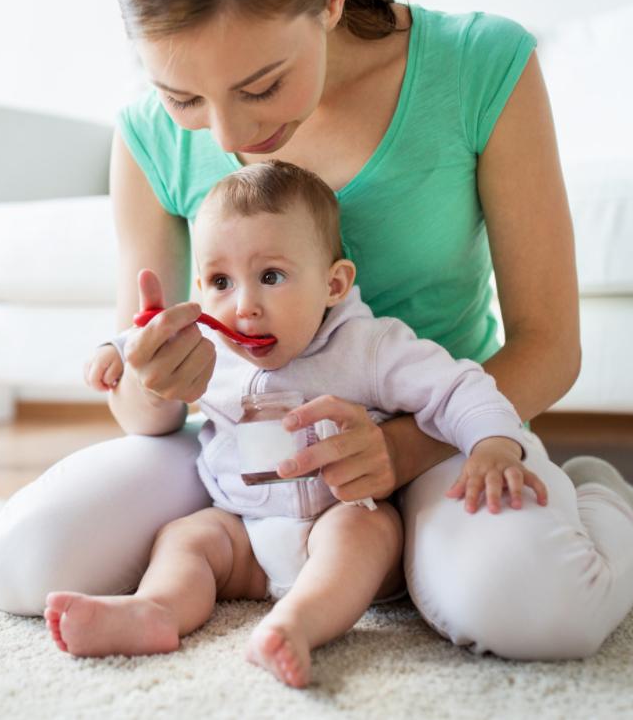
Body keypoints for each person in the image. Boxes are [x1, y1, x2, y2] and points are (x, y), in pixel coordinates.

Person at [0, 0, 633, 660]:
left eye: (262, 85)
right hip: (241, 444)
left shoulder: (481, 65)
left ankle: (605, 500)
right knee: (21, 564)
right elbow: (147, 411)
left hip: (439, 433)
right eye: (184, 96)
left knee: (539, 610)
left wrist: (396, 451)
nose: (235, 133)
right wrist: (153, 378)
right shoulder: (143, 138)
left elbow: (550, 346)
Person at [48, 161, 551, 689]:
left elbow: (456, 388)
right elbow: (146, 335)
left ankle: (295, 626)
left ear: (333, 284)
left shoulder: (369, 347)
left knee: (367, 531)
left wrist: (494, 443)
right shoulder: (208, 349)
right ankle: (156, 610)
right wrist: (115, 353)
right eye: (221, 281)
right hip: (242, 531)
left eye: (271, 277)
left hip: (337, 520)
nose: (244, 307)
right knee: (186, 538)